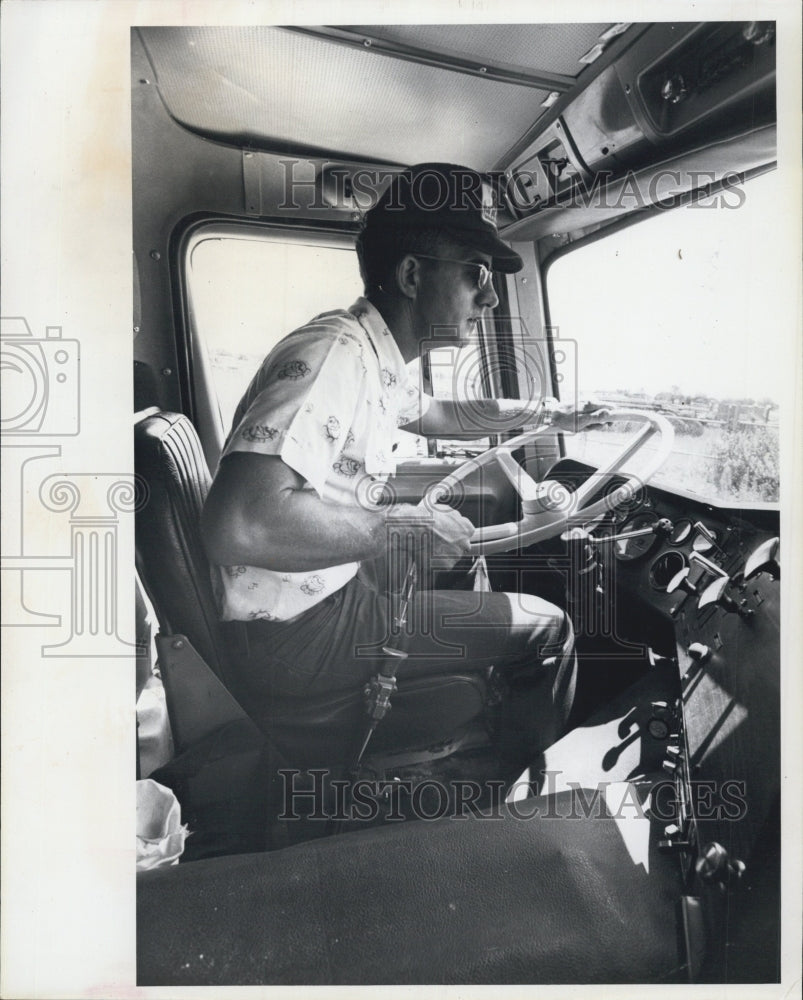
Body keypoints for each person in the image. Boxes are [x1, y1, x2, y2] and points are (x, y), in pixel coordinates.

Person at [202, 163, 597, 757]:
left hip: (312, 601)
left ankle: (471, 731)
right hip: (296, 633)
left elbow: (442, 414)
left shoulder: (376, 356)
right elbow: (240, 523)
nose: (489, 297)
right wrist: (402, 526)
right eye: (475, 273)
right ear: (413, 274)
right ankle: (522, 813)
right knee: (548, 626)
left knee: (463, 565)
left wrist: (545, 413)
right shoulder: (338, 355)